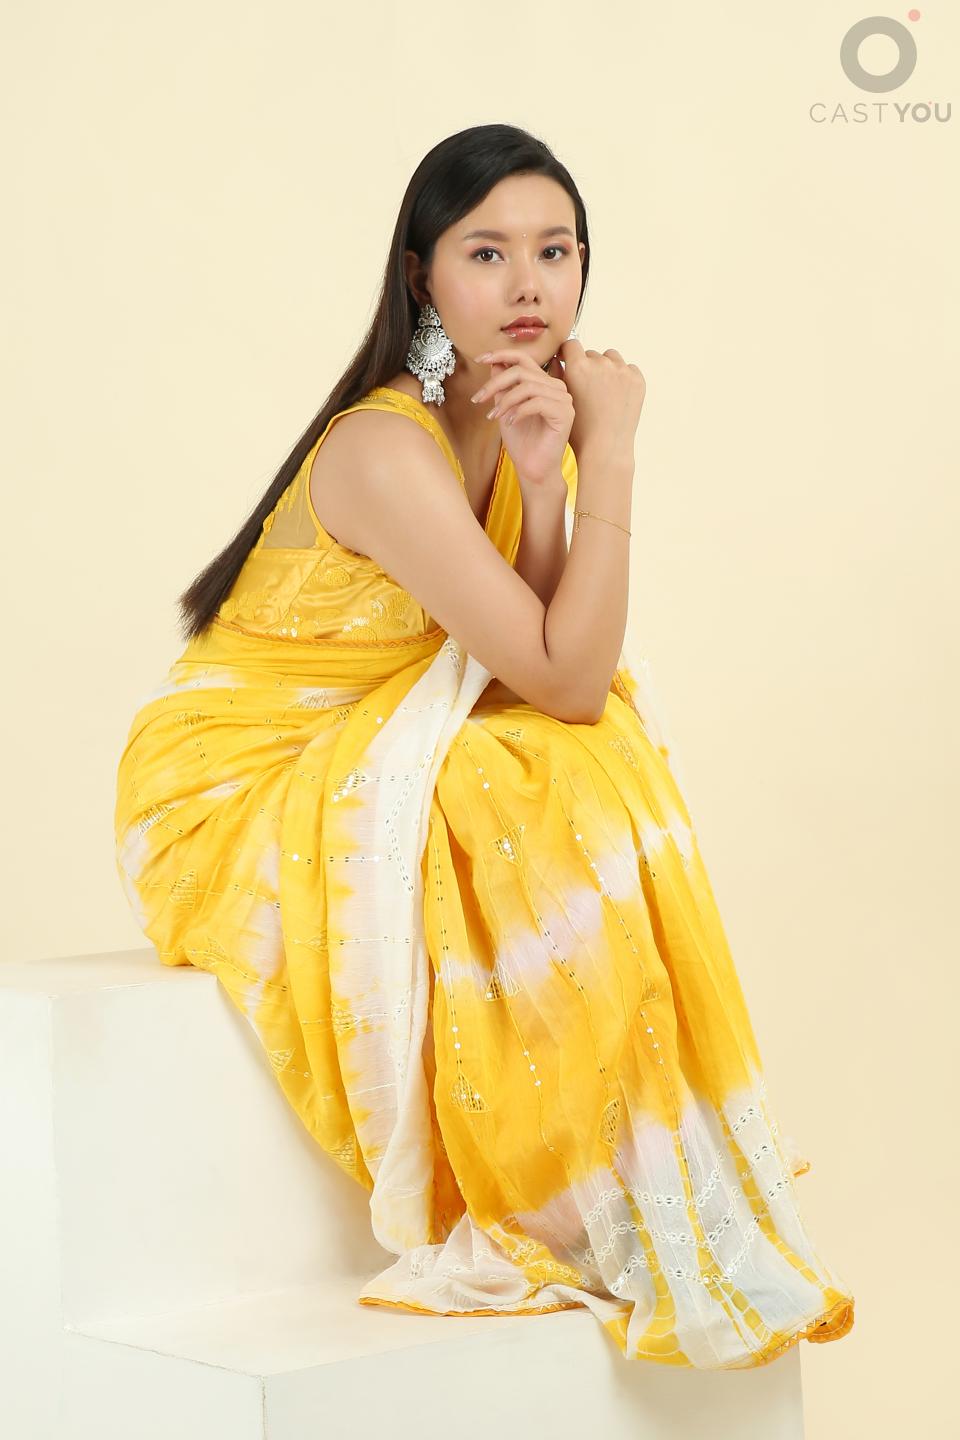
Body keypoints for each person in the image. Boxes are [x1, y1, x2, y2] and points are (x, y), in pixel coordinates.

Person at [114, 122, 855, 1369]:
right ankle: (561, 1174)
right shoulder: (384, 445)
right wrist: (614, 450)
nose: (529, 286)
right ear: (422, 276)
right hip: (229, 782)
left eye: (556, 252)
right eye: (488, 252)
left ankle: (615, 1156)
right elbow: (562, 678)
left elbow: (557, 659)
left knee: (587, 747)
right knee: (540, 759)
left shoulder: (507, 418)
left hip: (366, 729)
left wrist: (548, 478)